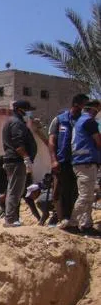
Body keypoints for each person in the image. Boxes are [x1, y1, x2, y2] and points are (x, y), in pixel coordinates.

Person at [49, 94, 88, 225]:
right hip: (62, 162)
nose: (85, 108)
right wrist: (54, 160)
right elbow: (52, 142)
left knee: (76, 191)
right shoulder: (59, 120)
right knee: (60, 191)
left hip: (79, 162)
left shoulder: (84, 121)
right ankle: (60, 217)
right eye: (84, 104)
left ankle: (72, 220)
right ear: (77, 104)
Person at [66, 98, 101, 234]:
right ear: (93, 109)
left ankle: (86, 224)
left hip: (81, 162)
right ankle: (72, 223)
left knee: (89, 196)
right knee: (85, 196)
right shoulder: (89, 122)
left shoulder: (80, 121)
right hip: (86, 162)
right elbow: (98, 142)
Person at [1, 99, 38, 227]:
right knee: (15, 191)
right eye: (27, 110)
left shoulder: (12, 121)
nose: (28, 113)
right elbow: (18, 144)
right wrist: (26, 158)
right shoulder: (17, 123)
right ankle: (10, 219)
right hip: (17, 160)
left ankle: (11, 218)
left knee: (13, 189)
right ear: (19, 110)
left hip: (13, 160)